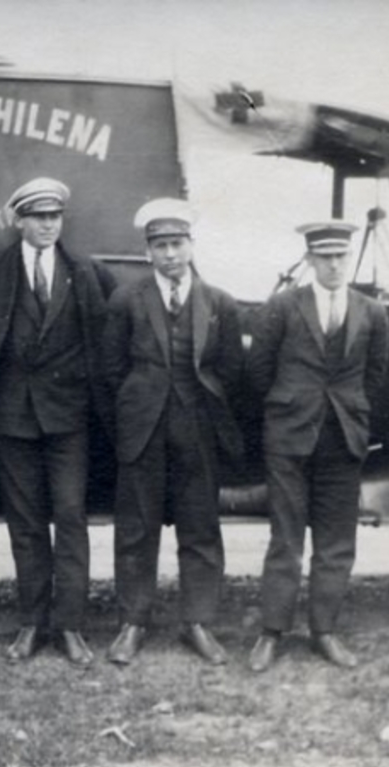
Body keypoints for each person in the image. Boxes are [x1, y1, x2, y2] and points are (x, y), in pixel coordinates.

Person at [0, 177, 112, 665]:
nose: (48, 226)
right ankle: (30, 624)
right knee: (25, 524)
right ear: (18, 220)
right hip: (12, 416)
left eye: (54, 217)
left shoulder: (84, 271)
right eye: (38, 217)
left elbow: (102, 345)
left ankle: (70, 627)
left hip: (69, 418)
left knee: (70, 517)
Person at [102, 197, 245, 666]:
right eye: (160, 245)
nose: (169, 254)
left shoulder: (219, 301)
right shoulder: (127, 299)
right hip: (143, 431)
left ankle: (198, 623)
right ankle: (132, 623)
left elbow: (231, 370)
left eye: (177, 244)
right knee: (136, 530)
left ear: (191, 246)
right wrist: (130, 414)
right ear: (148, 252)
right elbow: (110, 370)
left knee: (201, 529)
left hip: (198, 430)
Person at [247, 221, 389, 671]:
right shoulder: (282, 307)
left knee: (335, 543)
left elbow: (375, 376)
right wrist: (289, 407)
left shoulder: (372, 312)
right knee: (285, 539)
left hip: (343, 439)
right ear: (309, 259)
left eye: (340, 256)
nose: (333, 264)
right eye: (324, 256)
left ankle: (324, 632)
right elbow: (258, 373)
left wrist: (350, 414)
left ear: (349, 259)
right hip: (289, 437)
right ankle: (271, 633)